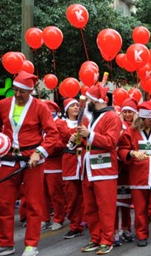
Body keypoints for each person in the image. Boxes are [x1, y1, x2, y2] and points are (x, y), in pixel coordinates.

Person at [0, 72, 59, 256]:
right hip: (8, 159)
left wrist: (39, 152)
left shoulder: (40, 107)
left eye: (22, 91)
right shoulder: (4, 105)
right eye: (15, 90)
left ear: (30, 91)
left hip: (32, 161)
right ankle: (6, 244)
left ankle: (32, 244)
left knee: (33, 203)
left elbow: (52, 134)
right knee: (5, 203)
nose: (18, 94)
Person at [71, 83, 121, 255]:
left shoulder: (112, 117)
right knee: (90, 207)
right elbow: (84, 140)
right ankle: (95, 237)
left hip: (105, 169)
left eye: (89, 99)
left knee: (105, 207)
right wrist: (76, 139)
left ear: (96, 100)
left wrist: (89, 135)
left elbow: (111, 142)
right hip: (88, 168)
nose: (86, 103)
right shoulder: (89, 117)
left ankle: (107, 239)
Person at [118, 101, 151, 249]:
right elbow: (121, 150)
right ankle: (141, 234)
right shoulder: (130, 132)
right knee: (140, 209)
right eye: (150, 119)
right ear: (141, 118)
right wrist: (132, 153)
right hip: (138, 176)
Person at [59, 98, 85, 239]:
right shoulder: (61, 123)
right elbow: (66, 134)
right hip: (70, 161)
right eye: (72, 106)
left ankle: (87, 220)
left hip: (85, 160)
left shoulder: (87, 121)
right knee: (72, 195)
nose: (75, 107)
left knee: (87, 194)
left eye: (77, 105)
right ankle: (75, 225)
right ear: (66, 109)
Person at [41, 100, 66, 231]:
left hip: (55, 164)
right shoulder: (41, 125)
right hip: (41, 163)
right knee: (42, 194)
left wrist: (45, 146)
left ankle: (58, 218)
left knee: (55, 193)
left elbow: (63, 143)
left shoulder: (60, 124)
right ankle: (45, 218)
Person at [114, 98, 136, 246]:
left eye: (130, 112)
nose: (127, 114)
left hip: (130, 168)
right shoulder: (117, 125)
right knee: (115, 203)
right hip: (116, 168)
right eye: (125, 111)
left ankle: (126, 228)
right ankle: (114, 231)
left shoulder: (136, 127)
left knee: (127, 203)